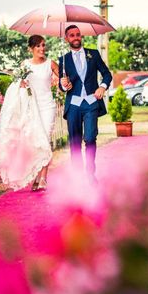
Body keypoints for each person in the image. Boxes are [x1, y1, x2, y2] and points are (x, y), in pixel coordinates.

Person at [0, 35, 59, 191]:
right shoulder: (24, 65)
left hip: (47, 106)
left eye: (43, 45)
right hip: (32, 108)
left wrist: (65, 82)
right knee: (35, 141)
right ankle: (37, 176)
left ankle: (43, 178)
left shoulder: (51, 64)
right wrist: (20, 83)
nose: (42, 49)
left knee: (45, 139)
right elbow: (16, 83)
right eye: (38, 46)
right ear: (31, 49)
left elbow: (65, 80)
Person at [59, 24, 112, 182]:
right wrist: (63, 84)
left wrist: (102, 87)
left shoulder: (93, 54)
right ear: (67, 38)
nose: (76, 38)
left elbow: (107, 74)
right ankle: (77, 175)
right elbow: (61, 87)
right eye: (72, 35)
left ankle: (90, 173)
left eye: (78, 34)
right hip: (73, 104)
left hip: (91, 103)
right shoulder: (63, 60)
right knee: (75, 141)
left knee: (90, 138)